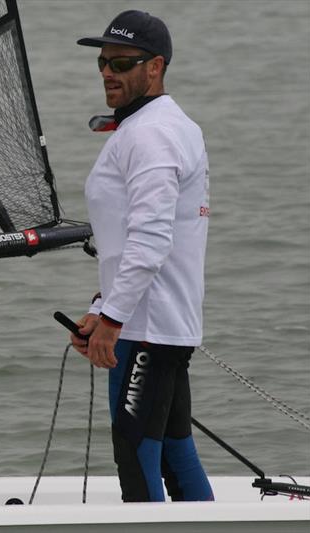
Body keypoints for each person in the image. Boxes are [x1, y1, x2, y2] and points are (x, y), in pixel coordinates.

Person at [70, 10, 214, 503]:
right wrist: (100, 307)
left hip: (144, 327)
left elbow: (151, 240)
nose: (108, 71)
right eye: (103, 62)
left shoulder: (151, 134)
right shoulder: (162, 125)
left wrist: (111, 320)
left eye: (122, 63)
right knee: (175, 451)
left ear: (155, 67)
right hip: (159, 320)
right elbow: (127, 240)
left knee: (135, 455)